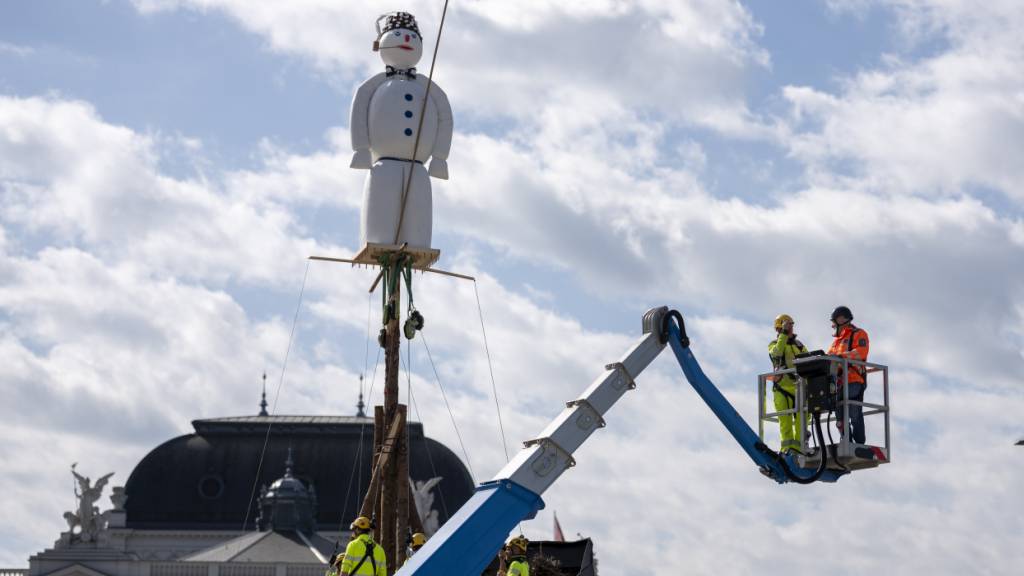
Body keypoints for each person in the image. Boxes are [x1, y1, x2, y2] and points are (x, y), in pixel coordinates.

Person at [827, 306, 870, 444]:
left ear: (841, 319)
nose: (833, 325)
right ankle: (846, 440)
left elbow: (861, 352)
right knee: (839, 412)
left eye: (834, 321)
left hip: (854, 379)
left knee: (854, 413)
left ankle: (859, 443)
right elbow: (829, 358)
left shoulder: (858, 334)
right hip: (839, 381)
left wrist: (841, 357)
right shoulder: (837, 341)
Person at [768, 314, 809, 453]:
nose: (790, 327)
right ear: (779, 327)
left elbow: (809, 361)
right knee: (785, 424)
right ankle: (787, 451)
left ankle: (800, 450)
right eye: (787, 325)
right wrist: (784, 335)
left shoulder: (799, 345)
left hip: (800, 389)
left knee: (802, 423)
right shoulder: (774, 344)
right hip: (782, 389)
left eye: (791, 325)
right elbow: (777, 354)